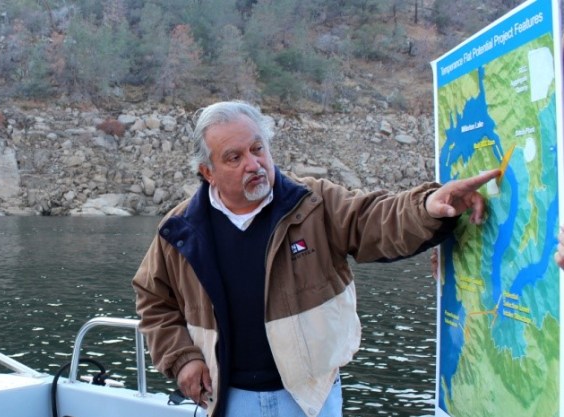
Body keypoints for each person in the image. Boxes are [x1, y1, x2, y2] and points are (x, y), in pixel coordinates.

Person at [131, 101, 499, 417]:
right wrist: (182, 358)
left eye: (258, 149)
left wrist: (428, 207)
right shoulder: (180, 230)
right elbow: (152, 298)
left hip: (310, 397)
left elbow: (372, 218)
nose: (253, 164)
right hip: (228, 399)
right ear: (207, 172)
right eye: (234, 157)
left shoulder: (312, 204)